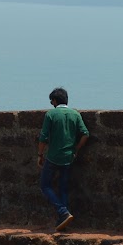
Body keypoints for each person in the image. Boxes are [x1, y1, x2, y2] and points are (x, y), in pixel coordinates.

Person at [37, 87, 89, 233]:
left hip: (53, 157)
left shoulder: (51, 114)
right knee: (63, 188)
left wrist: (40, 155)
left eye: (51, 101)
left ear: (54, 100)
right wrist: (76, 150)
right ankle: (63, 221)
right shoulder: (75, 114)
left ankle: (62, 211)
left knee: (45, 185)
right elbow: (85, 134)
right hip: (68, 157)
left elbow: (43, 137)